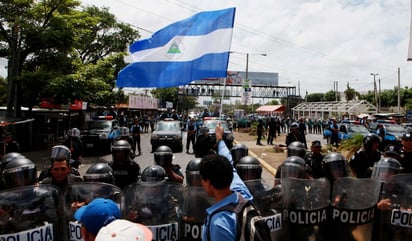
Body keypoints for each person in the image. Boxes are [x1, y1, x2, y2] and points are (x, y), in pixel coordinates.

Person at [200, 125, 252, 241]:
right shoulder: (243, 195)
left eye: (202, 179)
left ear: (208, 183)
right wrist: (219, 139)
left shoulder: (219, 223)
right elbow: (228, 161)